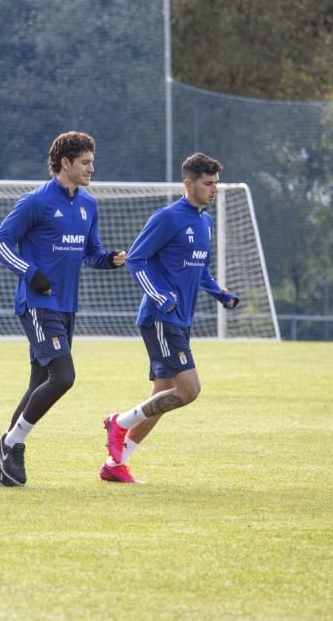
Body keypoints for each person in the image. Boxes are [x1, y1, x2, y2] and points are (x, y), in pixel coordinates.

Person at [0, 131, 126, 488]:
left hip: (66, 306)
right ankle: (8, 445)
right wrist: (32, 274)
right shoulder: (36, 202)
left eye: (92, 161)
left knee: (39, 382)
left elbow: (90, 252)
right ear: (65, 164)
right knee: (63, 377)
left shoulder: (88, 204)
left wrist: (110, 260)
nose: (92, 168)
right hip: (37, 304)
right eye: (85, 162)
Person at [101, 152, 239, 483]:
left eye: (216, 183)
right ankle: (118, 423)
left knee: (162, 396)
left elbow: (200, 269)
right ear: (188, 183)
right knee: (189, 390)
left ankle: (116, 465)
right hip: (161, 318)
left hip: (180, 319)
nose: (214, 189)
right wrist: (162, 297)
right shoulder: (167, 218)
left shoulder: (205, 221)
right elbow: (136, 259)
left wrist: (221, 293)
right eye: (208, 184)